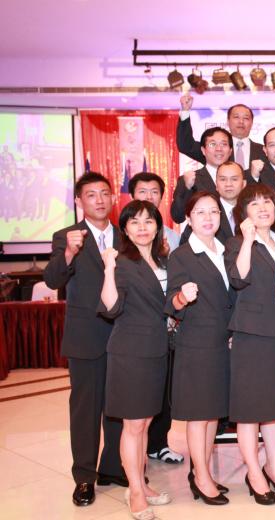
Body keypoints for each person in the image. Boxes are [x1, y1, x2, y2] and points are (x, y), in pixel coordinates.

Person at [43, 172, 124, 507]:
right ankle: (85, 477)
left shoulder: (126, 235)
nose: (99, 200)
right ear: (79, 201)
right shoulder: (66, 236)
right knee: (85, 410)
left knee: (120, 406)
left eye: (104, 193)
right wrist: (68, 253)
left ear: (113, 197)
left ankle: (113, 467)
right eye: (91, 195)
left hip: (124, 336)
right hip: (85, 336)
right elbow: (52, 280)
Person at [225, 183, 275, 506]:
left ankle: (274, 468)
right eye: (254, 204)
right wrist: (248, 239)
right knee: (250, 409)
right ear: (243, 213)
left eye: (267, 202)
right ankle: (254, 473)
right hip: (252, 336)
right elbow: (238, 278)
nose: (263, 208)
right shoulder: (237, 243)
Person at [99, 200, 171, 520]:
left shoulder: (162, 259)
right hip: (130, 352)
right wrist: (108, 269)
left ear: (157, 226)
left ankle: (140, 482)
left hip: (157, 349)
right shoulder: (122, 262)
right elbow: (111, 307)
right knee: (133, 425)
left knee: (145, 423)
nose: (143, 227)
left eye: (149, 221)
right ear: (125, 229)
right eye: (135, 222)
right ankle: (136, 493)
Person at [166, 191, 235, 506]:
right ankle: (200, 477)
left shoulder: (225, 249)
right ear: (189, 219)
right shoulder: (182, 255)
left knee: (212, 414)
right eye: (200, 212)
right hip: (197, 344)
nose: (208, 218)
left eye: (214, 212)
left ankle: (203, 472)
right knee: (198, 415)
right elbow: (172, 302)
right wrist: (183, 297)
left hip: (222, 343)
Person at [128, 172, 183, 465]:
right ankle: (132, 454)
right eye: (142, 191)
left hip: (169, 329)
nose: (149, 197)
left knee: (166, 390)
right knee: (137, 400)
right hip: (137, 332)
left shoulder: (172, 237)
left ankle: (159, 444)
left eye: (154, 192)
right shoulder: (125, 241)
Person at [178, 95, 267, 171]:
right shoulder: (214, 149)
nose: (241, 121)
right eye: (236, 117)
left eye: (246, 118)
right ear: (228, 121)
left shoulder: (264, 151)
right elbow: (186, 146)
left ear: (252, 123)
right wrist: (185, 111)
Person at [171, 127, 233, 223]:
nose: (219, 149)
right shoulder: (190, 179)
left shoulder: (241, 178)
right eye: (212, 144)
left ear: (230, 151)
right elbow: (178, 217)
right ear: (203, 150)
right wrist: (187, 188)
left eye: (224, 144)